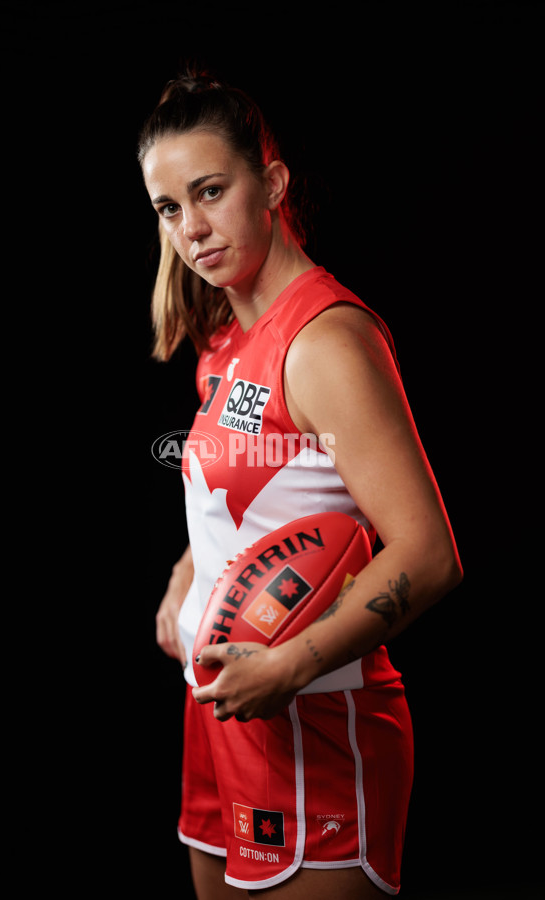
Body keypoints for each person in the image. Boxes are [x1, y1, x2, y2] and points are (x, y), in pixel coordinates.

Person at [139, 69, 462, 899]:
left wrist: (289, 668)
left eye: (211, 191)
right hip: (217, 709)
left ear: (272, 184)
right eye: (170, 208)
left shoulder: (325, 342)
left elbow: (428, 555)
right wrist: (190, 574)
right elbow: (251, 499)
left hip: (317, 716)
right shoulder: (223, 335)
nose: (192, 228)